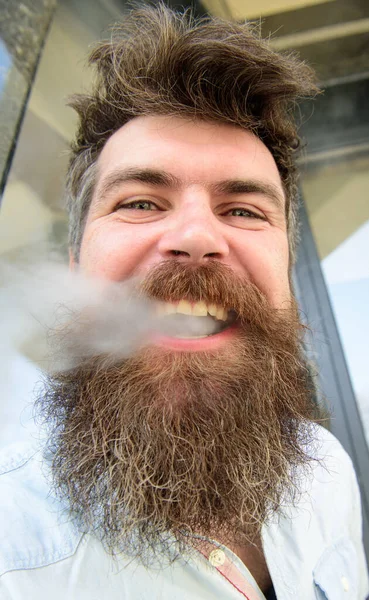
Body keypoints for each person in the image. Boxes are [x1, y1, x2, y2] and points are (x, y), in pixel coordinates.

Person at [1, 4, 368, 599]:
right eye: (140, 202)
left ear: (287, 280)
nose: (196, 237)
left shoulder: (327, 472)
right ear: (75, 269)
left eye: (244, 211)